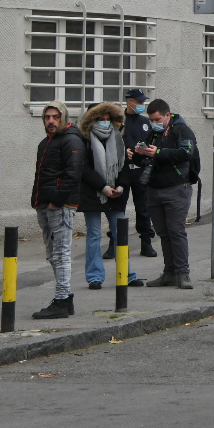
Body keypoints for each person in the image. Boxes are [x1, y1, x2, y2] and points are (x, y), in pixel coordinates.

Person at [31, 100, 84, 320]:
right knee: (53, 254)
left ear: (63, 118)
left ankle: (61, 300)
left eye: (55, 117)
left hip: (60, 206)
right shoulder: (46, 143)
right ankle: (66, 297)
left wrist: (56, 201)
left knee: (61, 254)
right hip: (45, 204)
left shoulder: (71, 139)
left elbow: (73, 173)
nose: (50, 121)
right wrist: (39, 202)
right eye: (47, 117)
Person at [141, 98, 199, 289]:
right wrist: (139, 154)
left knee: (176, 231)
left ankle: (183, 273)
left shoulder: (182, 130)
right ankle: (170, 272)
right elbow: (149, 158)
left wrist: (158, 153)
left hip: (176, 188)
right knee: (164, 233)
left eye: (157, 119)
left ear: (167, 115)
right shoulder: (153, 133)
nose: (154, 123)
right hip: (154, 188)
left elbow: (186, 153)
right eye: (151, 120)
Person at [79, 102, 128, 291]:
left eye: (108, 119)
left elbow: (123, 165)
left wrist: (121, 186)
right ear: (91, 120)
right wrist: (103, 187)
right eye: (100, 119)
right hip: (93, 193)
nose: (105, 122)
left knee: (120, 235)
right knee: (93, 235)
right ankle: (94, 277)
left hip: (116, 194)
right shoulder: (84, 139)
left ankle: (127, 274)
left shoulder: (118, 137)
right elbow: (84, 169)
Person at [121, 89, 159, 258]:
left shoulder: (146, 122)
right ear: (129, 102)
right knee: (118, 208)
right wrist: (123, 153)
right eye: (139, 102)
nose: (142, 105)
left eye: (143, 102)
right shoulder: (119, 121)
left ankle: (146, 242)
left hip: (141, 170)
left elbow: (153, 142)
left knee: (143, 207)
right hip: (122, 171)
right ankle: (115, 242)